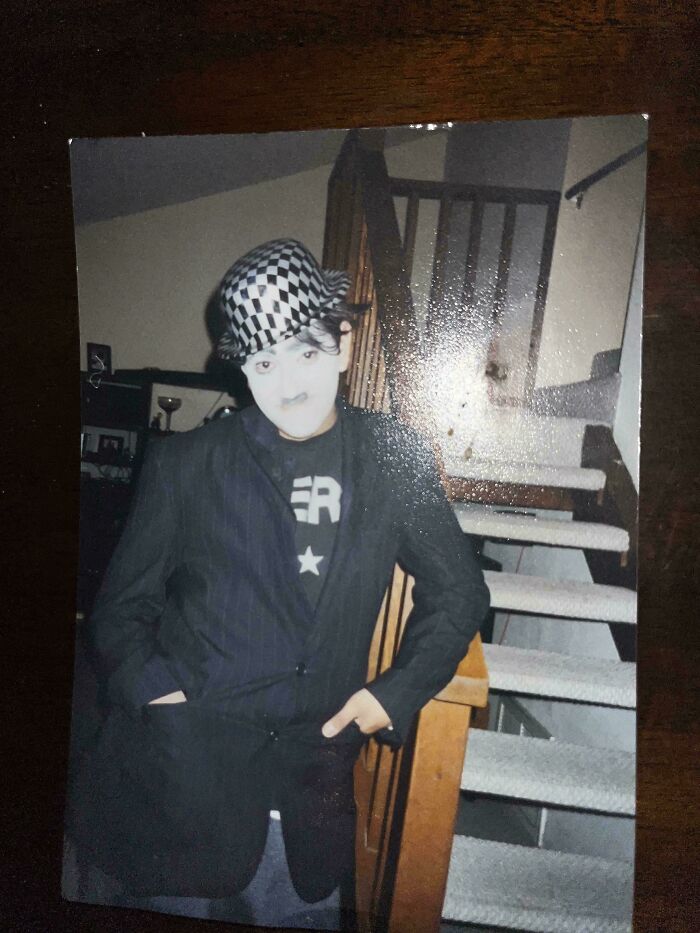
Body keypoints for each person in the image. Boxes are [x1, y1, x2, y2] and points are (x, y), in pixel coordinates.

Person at [66, 239, 490, 929]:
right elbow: (119, 610)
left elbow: (460, 591)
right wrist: (161, 697)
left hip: (310, 799)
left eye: (305, 353)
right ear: (243, 368)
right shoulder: (186, 462)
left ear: (343, 345)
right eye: (264, 362)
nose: (287, 384)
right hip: (182, 783)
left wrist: (392, 696)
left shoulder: (394, 457)